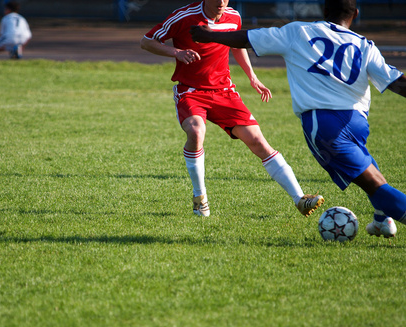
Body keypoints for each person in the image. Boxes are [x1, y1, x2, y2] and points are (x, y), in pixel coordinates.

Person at [191, 0, 406, 237]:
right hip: (357, 122)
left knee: (373, 185)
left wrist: (208, 35)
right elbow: (397, 83)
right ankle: (381, 220)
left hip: (325, 125)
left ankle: (388, 212)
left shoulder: (299, 31)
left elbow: (246, 38)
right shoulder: (365, 45)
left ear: (324, 11)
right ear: (355, 14)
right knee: (369, 168)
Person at [140, 0, 324, 218]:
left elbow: (237, 45)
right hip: (191, 91)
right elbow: (146, 41)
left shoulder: (233, 17)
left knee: (257, 141)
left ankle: (300, 199)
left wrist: (252, 77)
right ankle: (200, 199)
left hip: (224, 92)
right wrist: (176, 52)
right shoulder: (184, 16)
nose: (221, 2)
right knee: (196, 131)